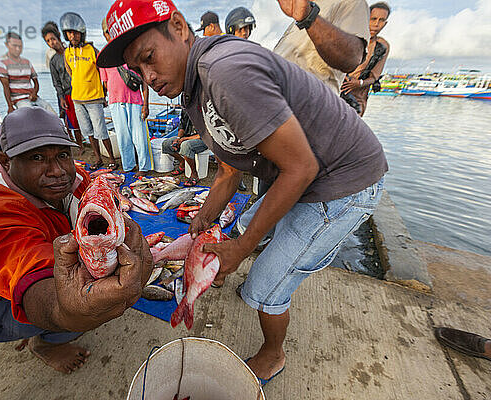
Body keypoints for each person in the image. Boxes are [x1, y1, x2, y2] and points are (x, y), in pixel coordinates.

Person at [97, 0, 387, 386]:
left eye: (149, 56)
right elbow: (229, 170)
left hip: (344, 181)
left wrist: (243, 248)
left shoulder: (225, 70)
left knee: (265, 283)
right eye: (138, 68)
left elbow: (301, 168)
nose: (148, 75)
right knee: (239, 230)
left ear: (181, 27)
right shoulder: (196, 87)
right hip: (308, 172)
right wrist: (201, 222)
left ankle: (273, 354)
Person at [0, 107, 153, 374]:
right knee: (80, 314)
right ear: (5, 161)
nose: (57, 171)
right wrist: (67, 311)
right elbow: (33, 280)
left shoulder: (72, 178)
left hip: (36, 265)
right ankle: (43, 343)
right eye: (37, 157)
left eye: (63, 155)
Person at [60, 12, 118, 171]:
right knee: (88, 131)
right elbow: (70, 72)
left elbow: (102, 71)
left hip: (94, 98)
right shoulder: (67, 53)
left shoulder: (92, 50)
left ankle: (112, 159)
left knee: (101, 131)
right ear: (66, 34)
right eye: (70, 33)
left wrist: (104, 93)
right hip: (77, 98)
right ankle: (98, 158)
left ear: (82, 33)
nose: (73, 36)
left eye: (76, 33)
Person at [273, 0, 370, 94]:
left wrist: (309, 17)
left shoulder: (352, 2)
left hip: (307, 102)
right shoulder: (309, 5)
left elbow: (351, 58)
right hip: (278, 96)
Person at [100, 19, 152, 177]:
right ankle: (128, 165)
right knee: (123, 137)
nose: (110, 34)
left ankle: (144, 166)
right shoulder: (105, 57)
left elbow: (144, 80)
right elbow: (105, 83)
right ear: (104, 34)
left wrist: (146, 104)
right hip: (115, 102)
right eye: (107, 31)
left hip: (135, 101)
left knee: (140, 136)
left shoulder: (131, 49)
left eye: (112, 30)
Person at [341, 2, 390, 116]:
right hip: (336, 89)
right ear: (365, 18)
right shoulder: (349, 36)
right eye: (373, 19)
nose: (376, 24)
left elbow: (374, 76)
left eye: (381, 20)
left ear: (385, 23)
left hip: (358, 98)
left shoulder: (382, 46)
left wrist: (359, 83)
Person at [42, 21, 84, 150]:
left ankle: (91, 144)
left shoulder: (72, 52)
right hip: (67, 94)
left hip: (81, 91)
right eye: (48, 41)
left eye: (53, 39)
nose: (52, 43)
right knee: (72, 122)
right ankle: (80, 146)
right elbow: (56, 82)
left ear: (59, 37)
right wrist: (61, 98)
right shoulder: (53, 60)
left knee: (86, 120)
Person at [0, 32, 56, 115]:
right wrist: (10, 106)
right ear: (7, 45)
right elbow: (6, 87)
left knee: (51, 112)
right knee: (29, 113)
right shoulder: (2, 63)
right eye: (14, 46)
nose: (17, 49)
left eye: (20, 46)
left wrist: (34, 93)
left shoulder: (27, 62)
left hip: (33, 98)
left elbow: (36, 82)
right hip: (19, 100)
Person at [162, 110, 208, 187]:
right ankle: (182, 163)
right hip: (187, 137)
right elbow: (182, 127)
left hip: (204, 140)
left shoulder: (205, 110)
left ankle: (194, 174)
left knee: (186, 145)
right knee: (167, 144)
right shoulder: (186, 109)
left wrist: (185, 139)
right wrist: (178, 138)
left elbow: (205, 134)